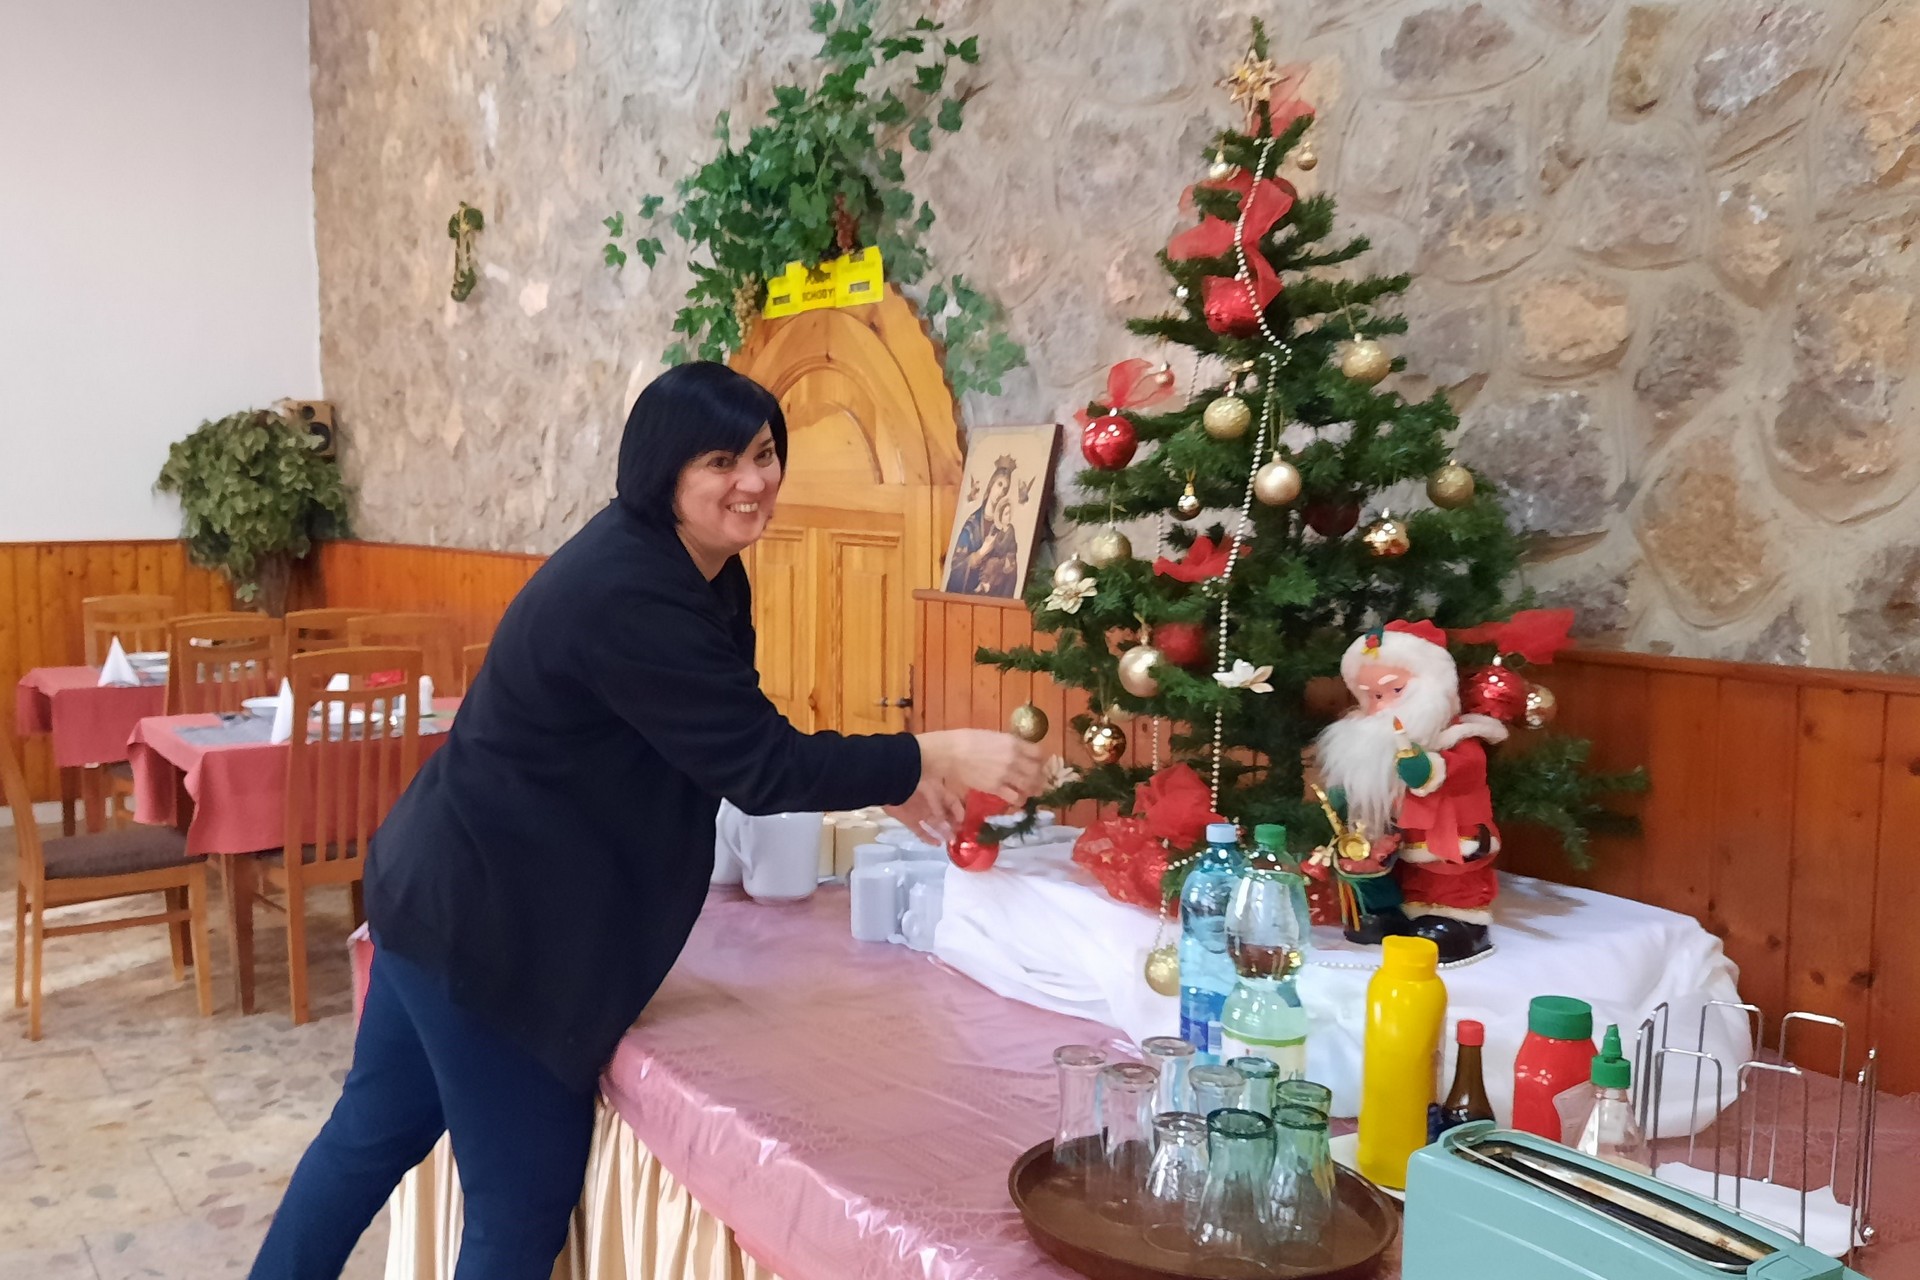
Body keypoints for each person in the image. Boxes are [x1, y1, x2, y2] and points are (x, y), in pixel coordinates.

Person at [249, 362, 1047, 1279]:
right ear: (663, 470)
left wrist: (895, 783)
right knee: (516, 1211)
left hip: (445, 882)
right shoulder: (629, 589)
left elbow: (714, 735)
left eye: (764, 454)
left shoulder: (700, 569)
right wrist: (931, 752)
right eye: (721, 461)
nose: (754, 481)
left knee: (368, 1138)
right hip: (494, 924)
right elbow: (760, 766)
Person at [1309, 620, 1506, 964]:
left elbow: (1462, 772)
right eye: (1373, 697)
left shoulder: (1458, 739)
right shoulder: (1374, 742)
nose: (1383, 706)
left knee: (1447, 877)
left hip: (1446, 834)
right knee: (1385, 871)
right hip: (1398, 838)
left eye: (1395, 691)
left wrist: (1427, 769)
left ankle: (1460, 923)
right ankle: (1391, 913)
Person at [943, 456, 1020, 596]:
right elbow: (956, 565)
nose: (1001, 492)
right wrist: (980, 554)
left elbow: (1011, 566)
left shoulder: (1003, 527)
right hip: (968, 597)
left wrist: (1005, 564)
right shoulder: (972, 524)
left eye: (1005, 489)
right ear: (991, 485)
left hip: (992, 597)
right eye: (999, 485)